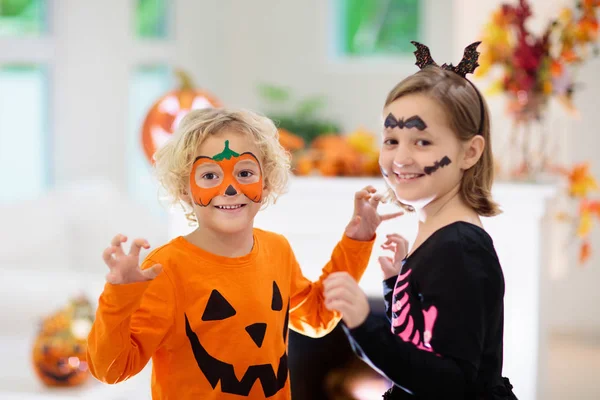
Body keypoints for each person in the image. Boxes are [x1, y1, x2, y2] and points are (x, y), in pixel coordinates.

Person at [86, 107, 403, 400]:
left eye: (245, 173)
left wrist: (358, 240)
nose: (230, 188)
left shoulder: (276, 250)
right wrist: (120, 297)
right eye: (210, 175)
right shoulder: (167, 269)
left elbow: (318, 316)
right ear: (184, 187)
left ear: (265, 182)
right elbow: (112, 370)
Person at [323, 41, 518, 400]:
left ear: (469, 152)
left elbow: (451, 383)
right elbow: (425, 340)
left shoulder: (460, 248)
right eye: (391, 139)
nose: (401, 158)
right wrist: (398, 284)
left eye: (422, 141)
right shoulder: (441, 236)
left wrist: (366, 325)